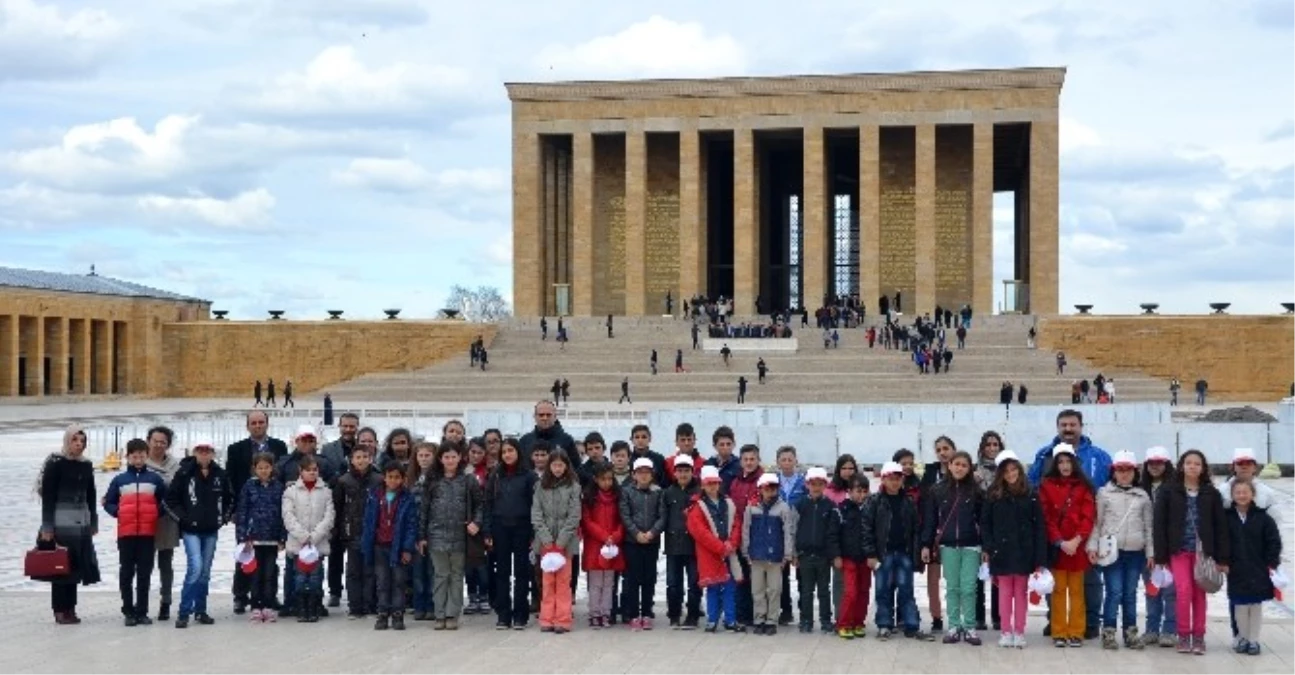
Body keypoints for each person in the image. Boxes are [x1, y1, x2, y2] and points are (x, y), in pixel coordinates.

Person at [1029, 410, 1111, 639]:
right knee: (1055, 585)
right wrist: (1056, 538)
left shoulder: (1099, 456)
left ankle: (1089, 622)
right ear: (1057, 427)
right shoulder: (1044, 455)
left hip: (1085, 536)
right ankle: (1056, 623)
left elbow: (1104, 492)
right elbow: (1032, 485)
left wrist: (1081, 538)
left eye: (1072, 424)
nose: (1068, 429)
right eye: (1063, 424)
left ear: (1081, 426)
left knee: (1089, 584)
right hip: (1055, 539)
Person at [1152, 449, 1229, 655]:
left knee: (1199, 594)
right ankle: (1183, 634)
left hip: (1203, 553)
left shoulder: (1211, 493)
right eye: (1188, 463)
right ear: (1181, 466)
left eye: (1197, 463)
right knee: (1183, 591)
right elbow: (1159, 525)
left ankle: (1199, 636)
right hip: (1178, 551)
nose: (1192, 466)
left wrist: (1221, 558)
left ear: (1203, 468)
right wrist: (1160, 556)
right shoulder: (1168, 491)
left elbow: (1220, 526)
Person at [1085, 451, 1153, 650]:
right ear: (1113, 472)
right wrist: (1092, 546)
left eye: (1128, 470)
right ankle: (1108, 631)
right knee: (1114, 592)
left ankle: (1130, 632)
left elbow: (1149, 527)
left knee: (1130, 593)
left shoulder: (1142, 496)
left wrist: (1150, 552)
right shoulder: (1103, 493)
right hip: (1111, 552)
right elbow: (1097, 523)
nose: (1124, 474)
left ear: (1135, 472)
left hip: (1135, 551)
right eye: (1119, 470)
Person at [981, 450, 1046, 649]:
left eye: (1014, 469)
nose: (1011, 474)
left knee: (1020, 593)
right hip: (1001, 552)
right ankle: (1005, 631)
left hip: (1024, 552)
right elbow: (986, 525)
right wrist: (988, 548)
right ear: (1000, 473)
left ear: (1019, 469)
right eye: (1006, 471)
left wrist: (1039, 557)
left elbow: (1039, 527)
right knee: (1004, 593)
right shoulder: (993, 496)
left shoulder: (1030, 495)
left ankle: (1019, 631)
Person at [165, 440, 233, 628]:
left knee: (204, 572)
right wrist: (183, 519)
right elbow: (170, 500)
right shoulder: (184, 473)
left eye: (207, 451)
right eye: (200, 450)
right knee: (195, 567)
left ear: (212, 453)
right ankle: (184, 611)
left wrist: (223, 518)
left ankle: (200, 610)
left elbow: (230, 499)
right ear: (195, 452)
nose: (204, 454)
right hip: (191, 530)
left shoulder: (220, 474)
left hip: (211, 530)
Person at [225, 410, 288, 614]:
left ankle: (268, 596)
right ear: (248, 425)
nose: (258, 425)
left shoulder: (279, 446)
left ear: (267, 424)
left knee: (270, 565)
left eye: (261, 422)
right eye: (254, 422)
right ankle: (241, 596)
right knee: (245, 558)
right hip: (248, 513)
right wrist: (234, 510)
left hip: (271, 519)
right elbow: (231, 480)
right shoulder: (236, 449)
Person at [861, 462, 932, 641]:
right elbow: (866, 528)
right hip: (882, 554)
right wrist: (870, 554)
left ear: (902, 480)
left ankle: (911, 625)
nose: (894, 482)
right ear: (883, 479)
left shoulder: (908, 501)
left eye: (898, 479)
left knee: (906, 590)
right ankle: (884, 625)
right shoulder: (874, 501)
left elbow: (916, 529)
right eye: (890, 479)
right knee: (882, 590)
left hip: (904, 553)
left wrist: (915, 554)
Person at [921, 451, 984, 645]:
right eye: (956, 464)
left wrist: (986, 546)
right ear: (949, 465)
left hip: (971, 545)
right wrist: (925, 544)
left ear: (969, 468)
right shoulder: (937, 490)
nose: (960, 468)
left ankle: (970, 626)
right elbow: (930, 520)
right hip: (948, 545)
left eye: (964, 465)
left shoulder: (977, 491)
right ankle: (954, 626)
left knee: (968, 588)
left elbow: (984, 521)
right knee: (952, 587)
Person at [418, 442, 484, 631]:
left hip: (461, 536)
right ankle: (439, 614)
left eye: (453, 457)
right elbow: (424, 510)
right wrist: (422, 536)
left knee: (456, 576)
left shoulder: (468, 480)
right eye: (446, 457)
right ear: (440, 459)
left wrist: (476, 523)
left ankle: (452, 614)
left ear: (460, 458)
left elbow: (480, 504)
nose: (450, 460)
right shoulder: (432, 480)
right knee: (440, 575)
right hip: (436, 535)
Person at [1039, 443, 1096, 648]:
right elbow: (1046, 517)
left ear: (1074, 462)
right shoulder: (1046, 485)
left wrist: (1077, 540)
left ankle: (1076, 631)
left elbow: (1088, 516)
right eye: (1060, 462)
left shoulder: (1083, 486)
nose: (1064, 465)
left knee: (1077, 591)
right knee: (1058, 590)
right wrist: (1060, 542)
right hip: (1058, 547)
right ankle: (1059, 631)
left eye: (1068, 461)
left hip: (1077, 547)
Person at [103, 438, 165, 626]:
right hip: (126, 534)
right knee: (126, 572)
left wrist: (156, 513)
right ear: (127, 457)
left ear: (147, 457)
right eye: (134, 456)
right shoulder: (120, 480)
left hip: (147, 533)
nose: (138, 460)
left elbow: (165, 500)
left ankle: (142, 611)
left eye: (141, 456)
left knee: (145, 573)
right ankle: (128, 611)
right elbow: (108, 502)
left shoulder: (154, 479)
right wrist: (117, 512)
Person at [1224, 479, 1282, 656]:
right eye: (1238, 492)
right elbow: (1221, 541)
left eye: (1245, 492)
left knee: (1255, 606)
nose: (1242, 495)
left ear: (1253, 494)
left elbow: (1274, 542)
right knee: (1240, 605)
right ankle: (1241, 637)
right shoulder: (1226, 517)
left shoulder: (1264, 518)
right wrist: (1222, 561)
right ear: (1232, 495)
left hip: (1259, 568)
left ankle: (1254, 640)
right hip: (1235, 569)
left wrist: (1272, 563)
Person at [362, 463, 419, 631]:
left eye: (397, 477)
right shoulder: (374, 496)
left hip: (398, 546)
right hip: (379, 546)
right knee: (382, 581)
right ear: (384, 478)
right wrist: (367, 544)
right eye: (390, 477)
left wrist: (408, 548)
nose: (393, 480)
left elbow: (411, 525)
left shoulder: (407, 499)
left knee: (399, 582)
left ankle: (397, 614)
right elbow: (368, 522)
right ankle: (382, 613)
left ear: (403, 479)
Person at [687, 464, 744, 633]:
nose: (712, 486)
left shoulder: (728, 503)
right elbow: (699, 531)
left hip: (728, 552)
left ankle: (730, 619)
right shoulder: (697, 507)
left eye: (715, 483)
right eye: (709, 483)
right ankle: (712, 619)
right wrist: (720, 547)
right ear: (702, 485)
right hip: (710, 553)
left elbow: (736, 524)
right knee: (712, 587)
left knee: (729, 587)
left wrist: (732, 543)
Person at [531, 449, 582, 634]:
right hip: (545, 543)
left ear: (566, 466)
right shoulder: (540, 486)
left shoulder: (574, 487)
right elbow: (536, 515)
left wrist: (560, 542)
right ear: (549, 466)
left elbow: (574, 516)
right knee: (547, 582)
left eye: (561, 465)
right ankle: (547, 619)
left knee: (563, 582)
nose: (558, 469)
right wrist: (546, 539)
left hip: (565, 543)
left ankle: (563, 619)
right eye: (554, 465)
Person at [282, 455, 334, 623]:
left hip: (317, 543)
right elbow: (288, 516)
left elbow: (329, 516)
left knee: (315, 576)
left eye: (314, 470)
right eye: (308, 470)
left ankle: (314, 606)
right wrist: (303, 536)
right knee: (299, 576)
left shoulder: (325, 491)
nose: (312, 473)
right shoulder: (291, 492)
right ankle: (301, 606)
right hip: (299, 543)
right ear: (300, 471)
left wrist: (316, 536)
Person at [234, 452, 285, 623]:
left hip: (271, 538)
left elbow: (282, 513)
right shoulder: (249, 487)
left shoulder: (278, 487)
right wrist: (243, 536)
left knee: (269, 573)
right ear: (254, 469)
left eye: (267, 467)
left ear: (272, 468)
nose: (263, 471)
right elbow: (242, 511)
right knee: (255, 574)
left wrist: (282, 538)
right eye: (260, 468)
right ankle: (256, 606)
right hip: (253, 539)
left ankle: (269, 605)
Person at [743, 472, 795, 635]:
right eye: (767, 488)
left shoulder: (783, 507)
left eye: (773, 488)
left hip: (775, 556)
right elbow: (746, 530)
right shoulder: (751, 507)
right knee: (757, 589)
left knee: (774, 589)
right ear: (760, 489)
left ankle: (772, 619)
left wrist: (787, 554)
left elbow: (788, 532)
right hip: (756, 555)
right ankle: (759, 618)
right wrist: (746, 551)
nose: (770, 492)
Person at [335, 444, 383, 619]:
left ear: (370, 459)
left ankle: (370, 606)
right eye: (358, 457)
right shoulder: (343, 481)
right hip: (352, 532)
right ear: (351, 460)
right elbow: (338, 508)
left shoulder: (379, 480)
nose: (361, 460)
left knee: (371, 571)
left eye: (365, 457)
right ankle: (355, 607)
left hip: (373, 533)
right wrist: (339, 531)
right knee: (354, 571)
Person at [1138, 446, 1178, 648]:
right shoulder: (1140, 487)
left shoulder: (1175, 487)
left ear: (1167, 464)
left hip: (1170, 547)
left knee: (1171, 592)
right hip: (1147, 548)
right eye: (1151, 463)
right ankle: (1151, 629)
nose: (1155, 467)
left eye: (1159, 463)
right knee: (1151, 589)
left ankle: (1170, 629)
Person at [620, 457, 665, 629]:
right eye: (640, 472)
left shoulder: (658, 492)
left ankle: (647, 612)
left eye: (647, 472)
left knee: (649, 578)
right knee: (633, 578)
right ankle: (633, 614)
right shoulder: (627, 491)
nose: (644, 476)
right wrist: (636, 533)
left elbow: (662, 516)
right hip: (632, 541)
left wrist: (652, 532)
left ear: (652, 474)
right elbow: (625, 515)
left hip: (652, 541)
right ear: (634, 474)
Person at [144, 426, 181, 621]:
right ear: (148, 441)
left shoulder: (175, 465)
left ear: (168, 444)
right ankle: (141, 603)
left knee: (165, 562)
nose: (158, 445)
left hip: (167, 519)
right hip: (144, 520)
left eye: (163, 442)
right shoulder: (140, 462)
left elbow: (178, 490)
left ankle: (165, 602)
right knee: (144, 563)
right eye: (155, 441)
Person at [582, 461, 625, 629]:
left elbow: (622, 520)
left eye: (609, 479)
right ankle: (594, 613)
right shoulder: (589, 497)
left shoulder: (618, 497)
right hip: (595, 544)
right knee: (595, 583)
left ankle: (606, 612)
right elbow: (587, 521)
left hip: (612, 545)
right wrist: (603, 535)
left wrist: (615, 536)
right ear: (595, 479)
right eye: (603, 479)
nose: (607, 482)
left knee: (609, 582)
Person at [828, 474, 871, 639]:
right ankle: (844, 623)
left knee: (863, 592)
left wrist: (873, 554)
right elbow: (832, 535)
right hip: (847, 557)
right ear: (849, 491)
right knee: (850, 592)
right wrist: (836, 556)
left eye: (864, 491)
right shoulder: (840, 510)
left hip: (865, 558)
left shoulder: (870, 509)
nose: (861, 495)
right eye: (858, 491)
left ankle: (858, 622)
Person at [662, 455, 702, 629]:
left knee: (694, 582)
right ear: (674, 472)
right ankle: (674, 614)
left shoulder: (699, 492)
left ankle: (693, 615)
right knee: (673, 583)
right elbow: (663, 517)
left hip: (694, 545)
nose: (683, 474)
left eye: (687, 471)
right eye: (680, 471)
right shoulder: (668, 492)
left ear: (693, 472)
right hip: (673, 544)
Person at [795, 467, 836, 634]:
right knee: (806, 590)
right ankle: (806, 620)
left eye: (820, 484)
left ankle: (825, 619)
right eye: (813, 484)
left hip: (823, 556)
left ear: (825, 485)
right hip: (805, 555)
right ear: (807, 485)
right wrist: (795, 552)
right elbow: (794, 529)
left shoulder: (830, 506)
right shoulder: (800, 504)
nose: (816, 488)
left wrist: (832, 554)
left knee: (824, 590)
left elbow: (832, 532)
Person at [406, 442, 438, 620]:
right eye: (421, 455)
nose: (424, 459)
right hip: (415, 533)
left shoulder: (438, 479)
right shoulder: (411, 479)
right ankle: (419, 605)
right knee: (417, 572)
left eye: (428, 455)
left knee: (432, 572)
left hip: (433, 532)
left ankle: (432, 605)